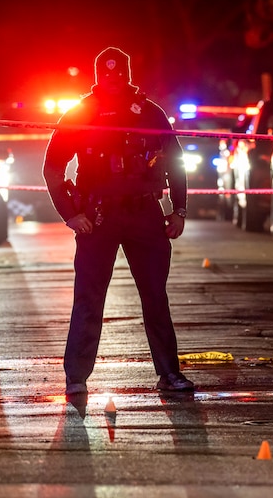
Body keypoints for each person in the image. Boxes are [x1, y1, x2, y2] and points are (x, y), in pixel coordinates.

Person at [43, 47, 194, 400]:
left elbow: (176, 161)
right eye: (106, 74)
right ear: (97, 76)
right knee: (89, 298)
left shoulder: (149, 112)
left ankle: (170, 374)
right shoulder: (79, 114)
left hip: (145, 214)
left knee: (155, 297)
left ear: (127, 74)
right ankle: (76, 379)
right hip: (98, 217)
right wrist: (70, 213)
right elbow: (53, 168)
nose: (112, 80)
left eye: (118, 74)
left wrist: (179, 210)